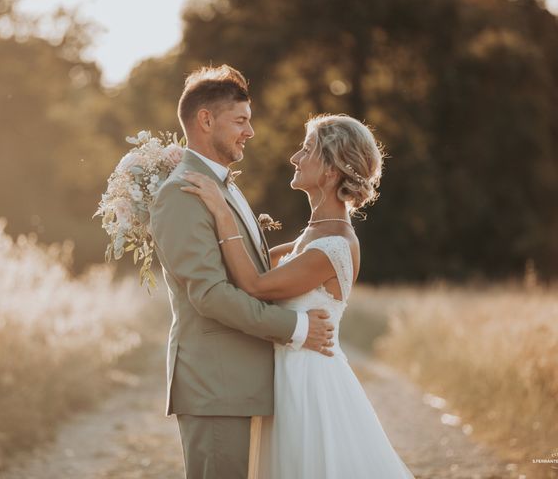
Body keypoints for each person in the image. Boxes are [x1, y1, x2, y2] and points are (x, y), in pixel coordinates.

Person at [181, 113, 416, 478]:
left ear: (331, 171)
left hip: (310, 384)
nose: (294, 158)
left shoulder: (334, 245)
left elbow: (255, 285)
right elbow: (251, 263)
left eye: (306, 150)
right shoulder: (313, 235)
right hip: (288, 374)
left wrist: (222, 212)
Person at [148, 65, 336, 479]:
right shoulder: (181, 195)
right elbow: (211, 294)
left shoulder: (223, 188)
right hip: (216, 387)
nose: (250, 131)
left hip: (245, 385)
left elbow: (251, 271)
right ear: (205, 120)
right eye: (241, 120)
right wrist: (297, 328)